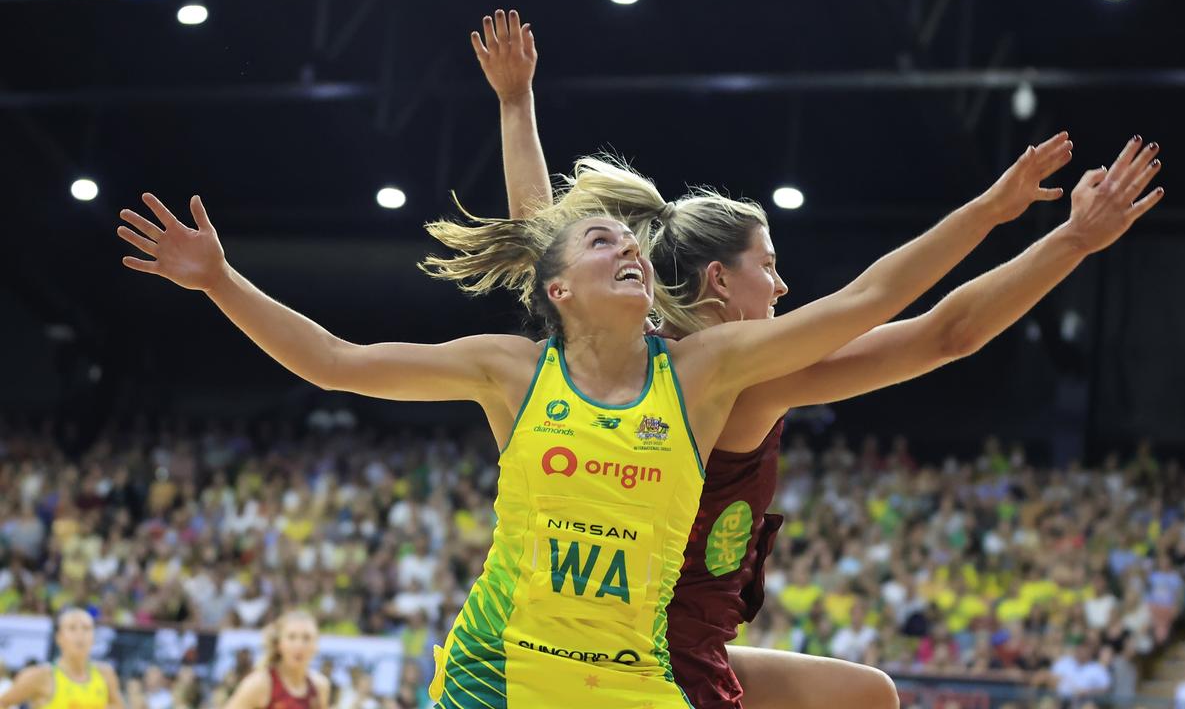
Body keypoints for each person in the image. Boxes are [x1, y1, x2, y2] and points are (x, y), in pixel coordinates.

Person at [114, 141, 1040, 705]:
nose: (626, 247)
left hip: (632, 677)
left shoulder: (709, 371)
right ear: (559, 290)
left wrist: (999, 212)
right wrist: (221, 281)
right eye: (604, 244)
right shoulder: (515, 370)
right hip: (497, 670)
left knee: (868, 695)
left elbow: (877, 300)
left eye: (629, 242)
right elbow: (335, 362)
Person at [470, 7, 1164, 709]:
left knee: (865, 695)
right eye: (768, 266)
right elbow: (942, 332)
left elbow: (544, 244)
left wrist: (515, 103)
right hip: (648, 658)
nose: (781, 284)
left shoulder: (627, 356)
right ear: (718, 281)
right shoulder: (726, 384)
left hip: (669, 637)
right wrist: (1065, 240)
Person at [0, 608, 124, 709]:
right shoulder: (39, 675)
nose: (80, 634)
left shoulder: (106, 674)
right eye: (72, 628)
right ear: (59, 637)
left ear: (93, 637)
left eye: (86, 628)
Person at [221, 610, 332, 709]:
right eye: (291, 637)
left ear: (316, 645)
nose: (299, 645)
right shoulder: (260, 684)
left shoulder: (320, 686)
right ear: (279, 644)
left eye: (306, 638)